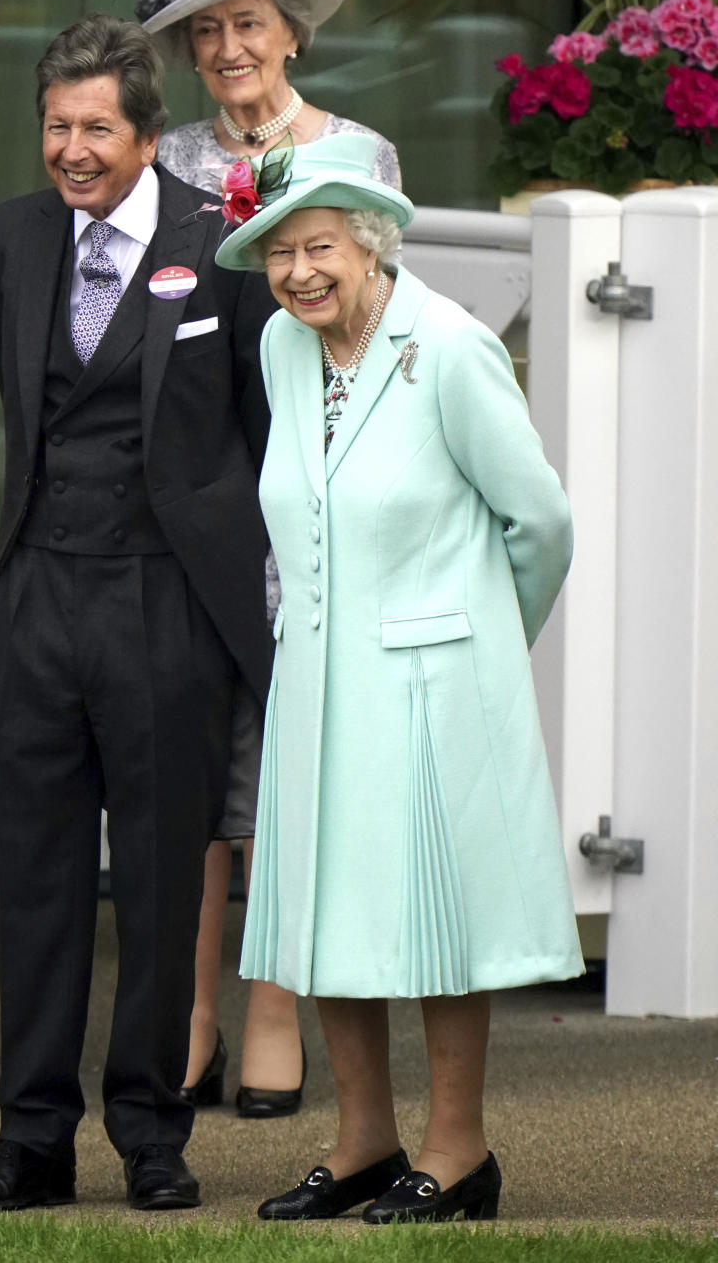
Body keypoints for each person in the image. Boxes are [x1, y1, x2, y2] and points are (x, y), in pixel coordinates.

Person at [214, 133, 584, 1224]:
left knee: (438, 916)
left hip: (436, 684)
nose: (297, 273)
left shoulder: (453, 346)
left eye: (317, 246)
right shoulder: (286, 347)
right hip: (315, 676)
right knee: (328, 907)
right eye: (278, 252)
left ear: (371, 244)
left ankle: (458, 1151)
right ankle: (364, 1140)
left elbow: (543, 522)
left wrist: (478, 639)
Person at [0, 13, 274, 1215]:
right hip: (35, 590)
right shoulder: (14, 237)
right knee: (30, 878)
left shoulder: (221, 247)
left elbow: (253, 425)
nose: (72, 150)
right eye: (56, 125)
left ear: (147, 136)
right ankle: (30, 1138)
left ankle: (151, 1131)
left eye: (96, 128)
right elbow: (24, 400)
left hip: (162, 599)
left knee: (155, 876)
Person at [136, 0, 402, 1120]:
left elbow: (386, 327)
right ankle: (188, 1010)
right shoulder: (169, 157)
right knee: (191, 748)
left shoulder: (355, 151)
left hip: (316, 471)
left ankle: (277, 1002)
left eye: (251, 22)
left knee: (291, 750)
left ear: (294, 30)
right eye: (207, 29)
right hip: (195, 490)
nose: (229, 46)